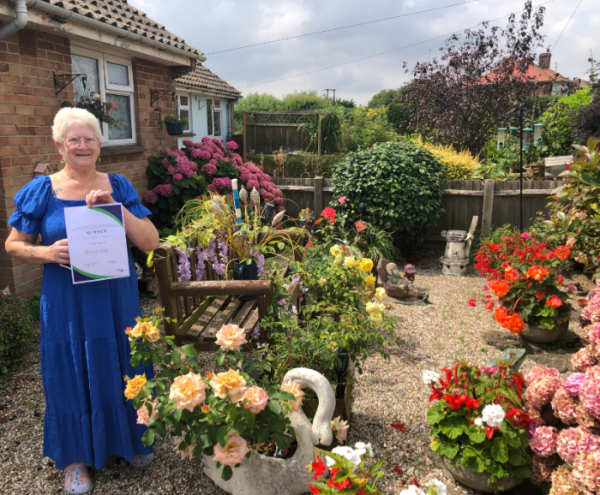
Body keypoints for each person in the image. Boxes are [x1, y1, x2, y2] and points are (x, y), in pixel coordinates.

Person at [5, 108, 160, 494]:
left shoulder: (118, 186)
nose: (82, 145)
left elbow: (150, 242)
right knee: (70, 368)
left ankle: (133, 439)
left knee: (125, 360)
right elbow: (12, 245)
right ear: (59, 147)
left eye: (89, 138)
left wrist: (115, 207)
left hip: (115, 296)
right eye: (73, 139)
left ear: (99, 146)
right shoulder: (42, 191)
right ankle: (75, 459)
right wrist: (44, 253)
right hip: (67, 300)